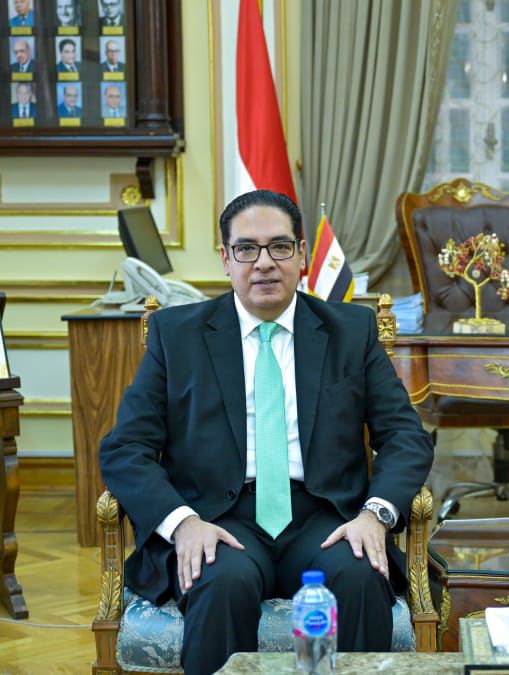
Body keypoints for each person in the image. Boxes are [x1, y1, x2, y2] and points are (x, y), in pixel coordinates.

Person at [99, 190, 434, 675]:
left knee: (361, 574)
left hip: (326, 516)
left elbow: (404, 435)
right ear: (225, 259)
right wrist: (183, 523)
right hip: (217, 516)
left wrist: (375, 515)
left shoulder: (350, 331)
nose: (264, 263)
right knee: (221, 581)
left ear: (301, 254)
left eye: (279, 246)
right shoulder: (178, 335)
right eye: (246, 249)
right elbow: (125, 448)